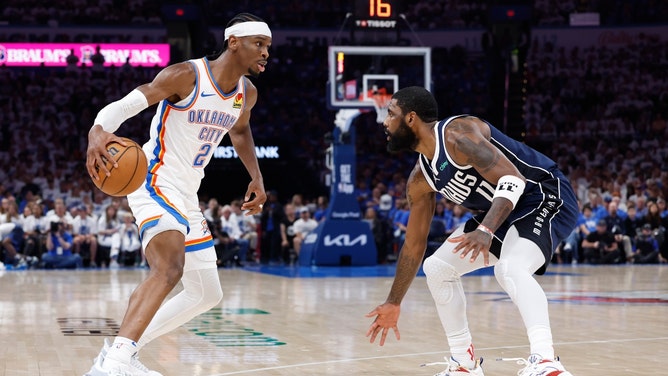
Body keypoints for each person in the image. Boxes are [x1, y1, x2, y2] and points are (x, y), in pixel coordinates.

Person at [84, 12, 270, 376]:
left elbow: (241, 132)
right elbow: (127, 105)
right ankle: (115, 365)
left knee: (205, 294)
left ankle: (117, 353)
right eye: (259, 45)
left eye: (268, 47)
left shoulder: (247, 93)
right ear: (234, 42)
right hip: (153, 179)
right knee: (168, 268)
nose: (266, 53)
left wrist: (257, 178)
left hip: (187, 192)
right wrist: (97, 131)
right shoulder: (186, 75)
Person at [365, 87, 578, 376]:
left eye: (391, 114)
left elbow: (513, 180)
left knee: (510, 269)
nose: (384, 122)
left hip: (542, 194)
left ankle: (546, 361)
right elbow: (414, 246)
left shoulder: (458, 135)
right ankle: (464, 364)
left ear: (411, 118)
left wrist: (486, 228)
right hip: (502, 212)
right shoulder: (420, 178)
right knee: (437, 268)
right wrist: (393, 302)